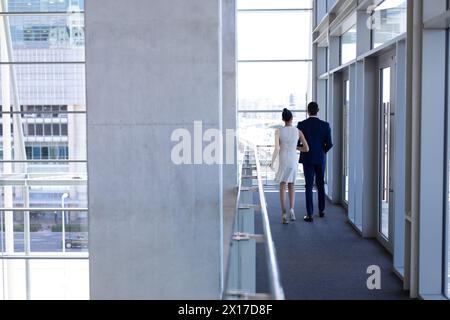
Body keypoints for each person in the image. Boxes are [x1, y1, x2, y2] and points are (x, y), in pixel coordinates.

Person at [271, 108, 309, 224]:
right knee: (292, 185)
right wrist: (296, 147)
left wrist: (272, 162)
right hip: (293, 159)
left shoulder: (278, 131)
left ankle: (283, 213)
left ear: (283, 119)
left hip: (283, 159)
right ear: (292, 118)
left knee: (282, 186)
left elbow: (277, 148)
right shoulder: (298, 132)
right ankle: (292, 210)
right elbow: (306, 148)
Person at [297, 102, 333, 223]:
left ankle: (310, 214)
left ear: (308, 111)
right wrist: (322, 152)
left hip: (307, 158)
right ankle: (321, 211)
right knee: (320, 184)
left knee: (308, 185)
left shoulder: (302, 125)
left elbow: (297, 143)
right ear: (318, 110)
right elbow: (330, 144)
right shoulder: (325, 125)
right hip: (320, 158)